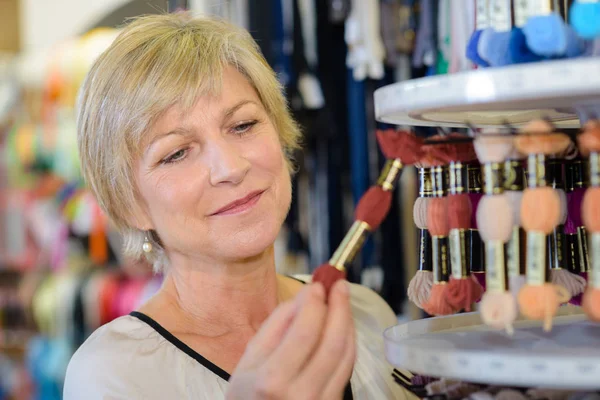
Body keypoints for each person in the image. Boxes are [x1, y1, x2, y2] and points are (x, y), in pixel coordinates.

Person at [64, 13, 415, 400]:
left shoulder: (364, 313)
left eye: (243, 126)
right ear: (130, 203)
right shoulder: (113, 375)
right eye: (177, 153)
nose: (230, 168)